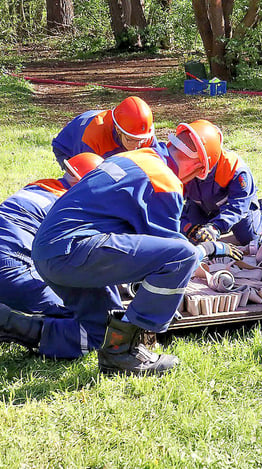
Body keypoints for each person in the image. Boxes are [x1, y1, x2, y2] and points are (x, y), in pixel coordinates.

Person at [31, 120, 243, 376]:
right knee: (182, 256)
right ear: (198, 165)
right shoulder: (164, 181)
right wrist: (209, 249)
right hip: (74, 251)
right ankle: (124, 353)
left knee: (103, 330)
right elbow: (172, 254)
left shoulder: (135, 158)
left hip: (47, 253)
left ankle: (17, 326)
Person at [0, 153, 103, 358]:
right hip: (10, 265)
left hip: (9, 257)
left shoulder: (38, 187)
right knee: (91, 323)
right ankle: (12, 324)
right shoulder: (72, 207)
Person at [181, 143, 262, 247]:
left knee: (250, 239)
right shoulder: (177, 166)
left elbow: (238, 206)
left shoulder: (234, 168)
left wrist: (215, 227)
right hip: (199, 204)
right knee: (193, 238)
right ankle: (215, 220)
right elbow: (169, 205)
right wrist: (187, 227)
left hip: (234, 204)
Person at [51, 95, 155, 166]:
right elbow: (86, 181)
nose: (137, 146)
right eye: (130, 140)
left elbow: (158, 165)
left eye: (140, 140)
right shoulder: (92, 138)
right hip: (68, 147)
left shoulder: (145, 134)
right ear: (118, 129)